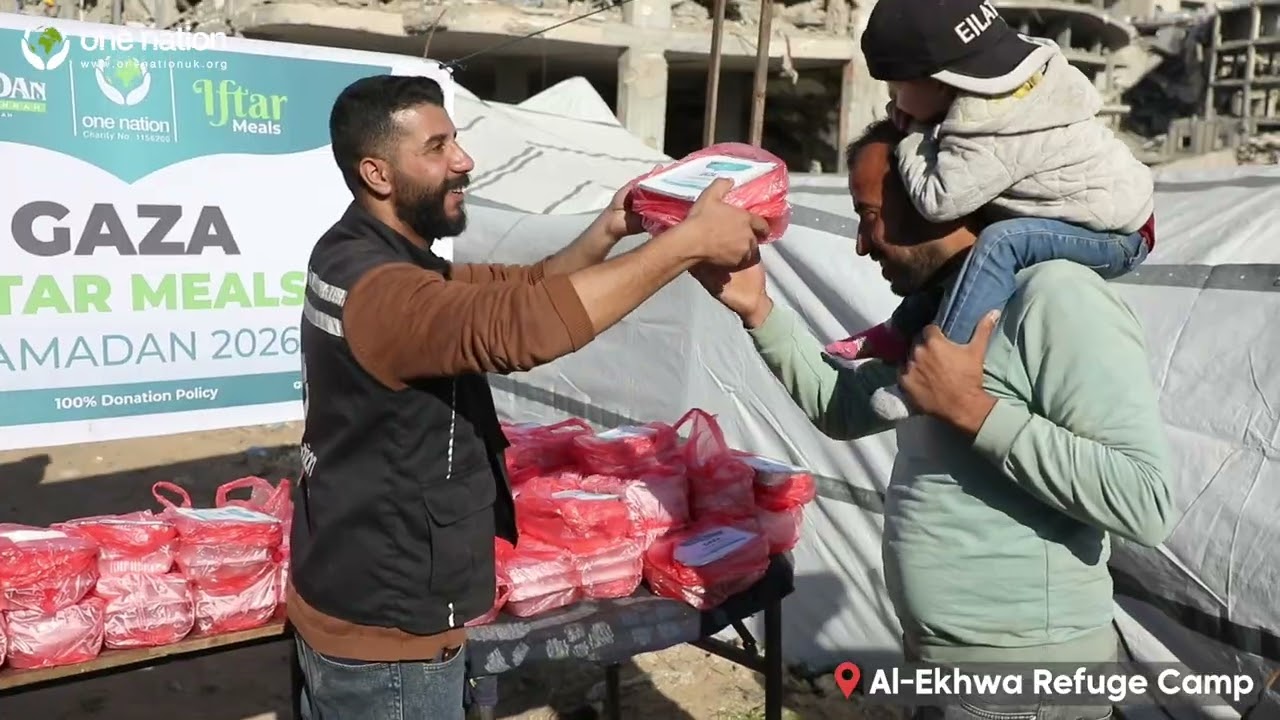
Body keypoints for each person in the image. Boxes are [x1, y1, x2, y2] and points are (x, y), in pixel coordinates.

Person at [289, 73, 768, 720]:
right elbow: (521, 330)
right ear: (377, 173)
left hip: (358, 593)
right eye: (437, 148)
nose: (463, 161)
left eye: (456, 140)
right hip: (389, 639)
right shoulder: (383, 293)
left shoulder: (360, 254)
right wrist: (685, 248)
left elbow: (515, 292)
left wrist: (609, 229)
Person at [693, 119, 1175, 719]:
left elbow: (1146, 503)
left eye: (869, 216)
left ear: (938, 201)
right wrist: (758, 309)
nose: (863, 245)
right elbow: (844, 409)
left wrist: (970, 408)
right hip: (943, 672)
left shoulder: (1056, 296)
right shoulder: (950, 306)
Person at [825, 0, 1156, 422]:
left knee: (1001, 242)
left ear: (943, 82)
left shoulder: (994, 124)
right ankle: (898, 332)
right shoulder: (1002, 91)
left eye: (898, 90)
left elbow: (938, 198)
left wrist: (912, 137)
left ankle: (940, 367)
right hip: (1101, 211)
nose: (895, 104)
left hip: (1119, 234)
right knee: (971, 260)